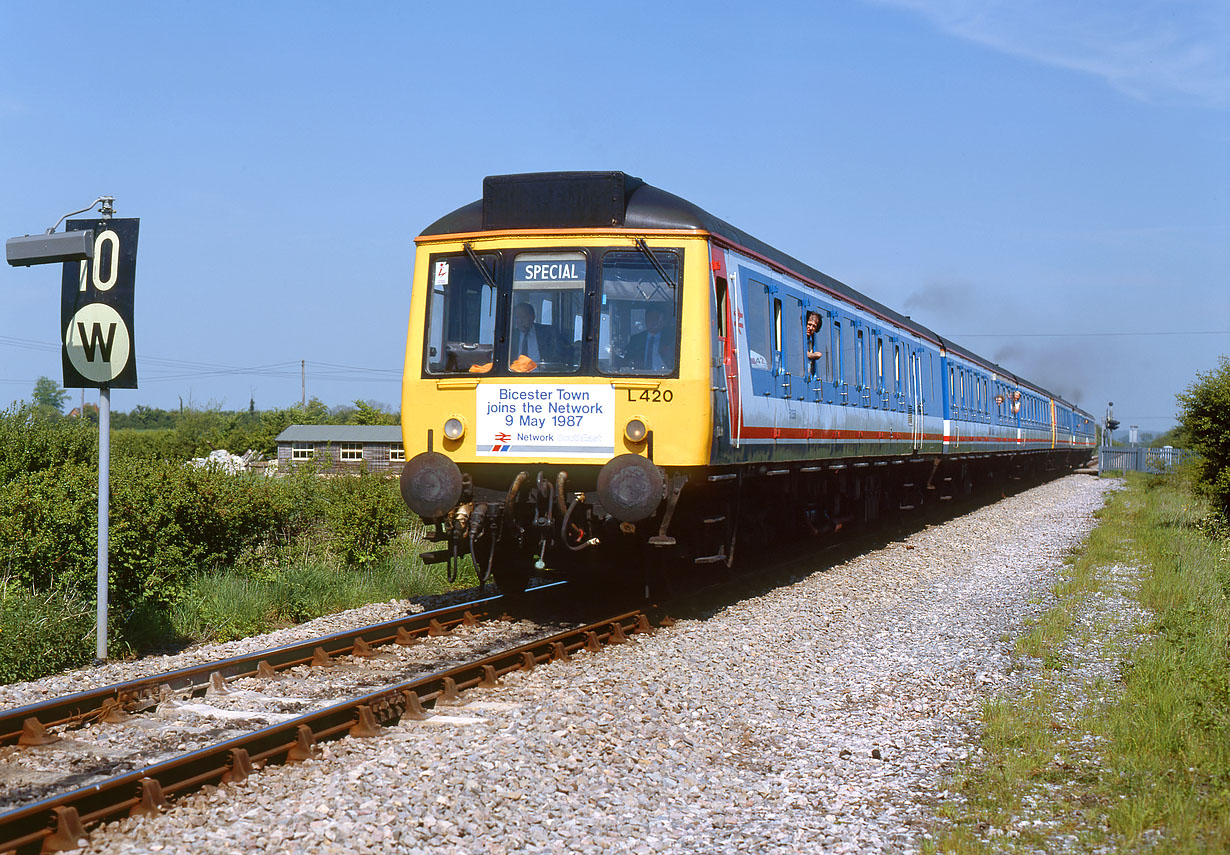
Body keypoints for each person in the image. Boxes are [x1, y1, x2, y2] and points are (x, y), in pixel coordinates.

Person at [624, 304, 675, 372]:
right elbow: (627, 360)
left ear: (663, 321)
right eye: (651, 319)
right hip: (639, 376)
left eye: (657, 319)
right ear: (646, 320)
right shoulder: (636, 339)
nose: (654, 323)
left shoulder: (671, 339)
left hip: (665, 376)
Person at [510, 302, 561, 367]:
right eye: (517, 318)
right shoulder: (511, 336)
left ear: (533, 317)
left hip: (540, 374)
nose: (520, 321)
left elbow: (557, 357)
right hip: (515, 375)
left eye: (523, 317)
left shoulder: (548, 333)